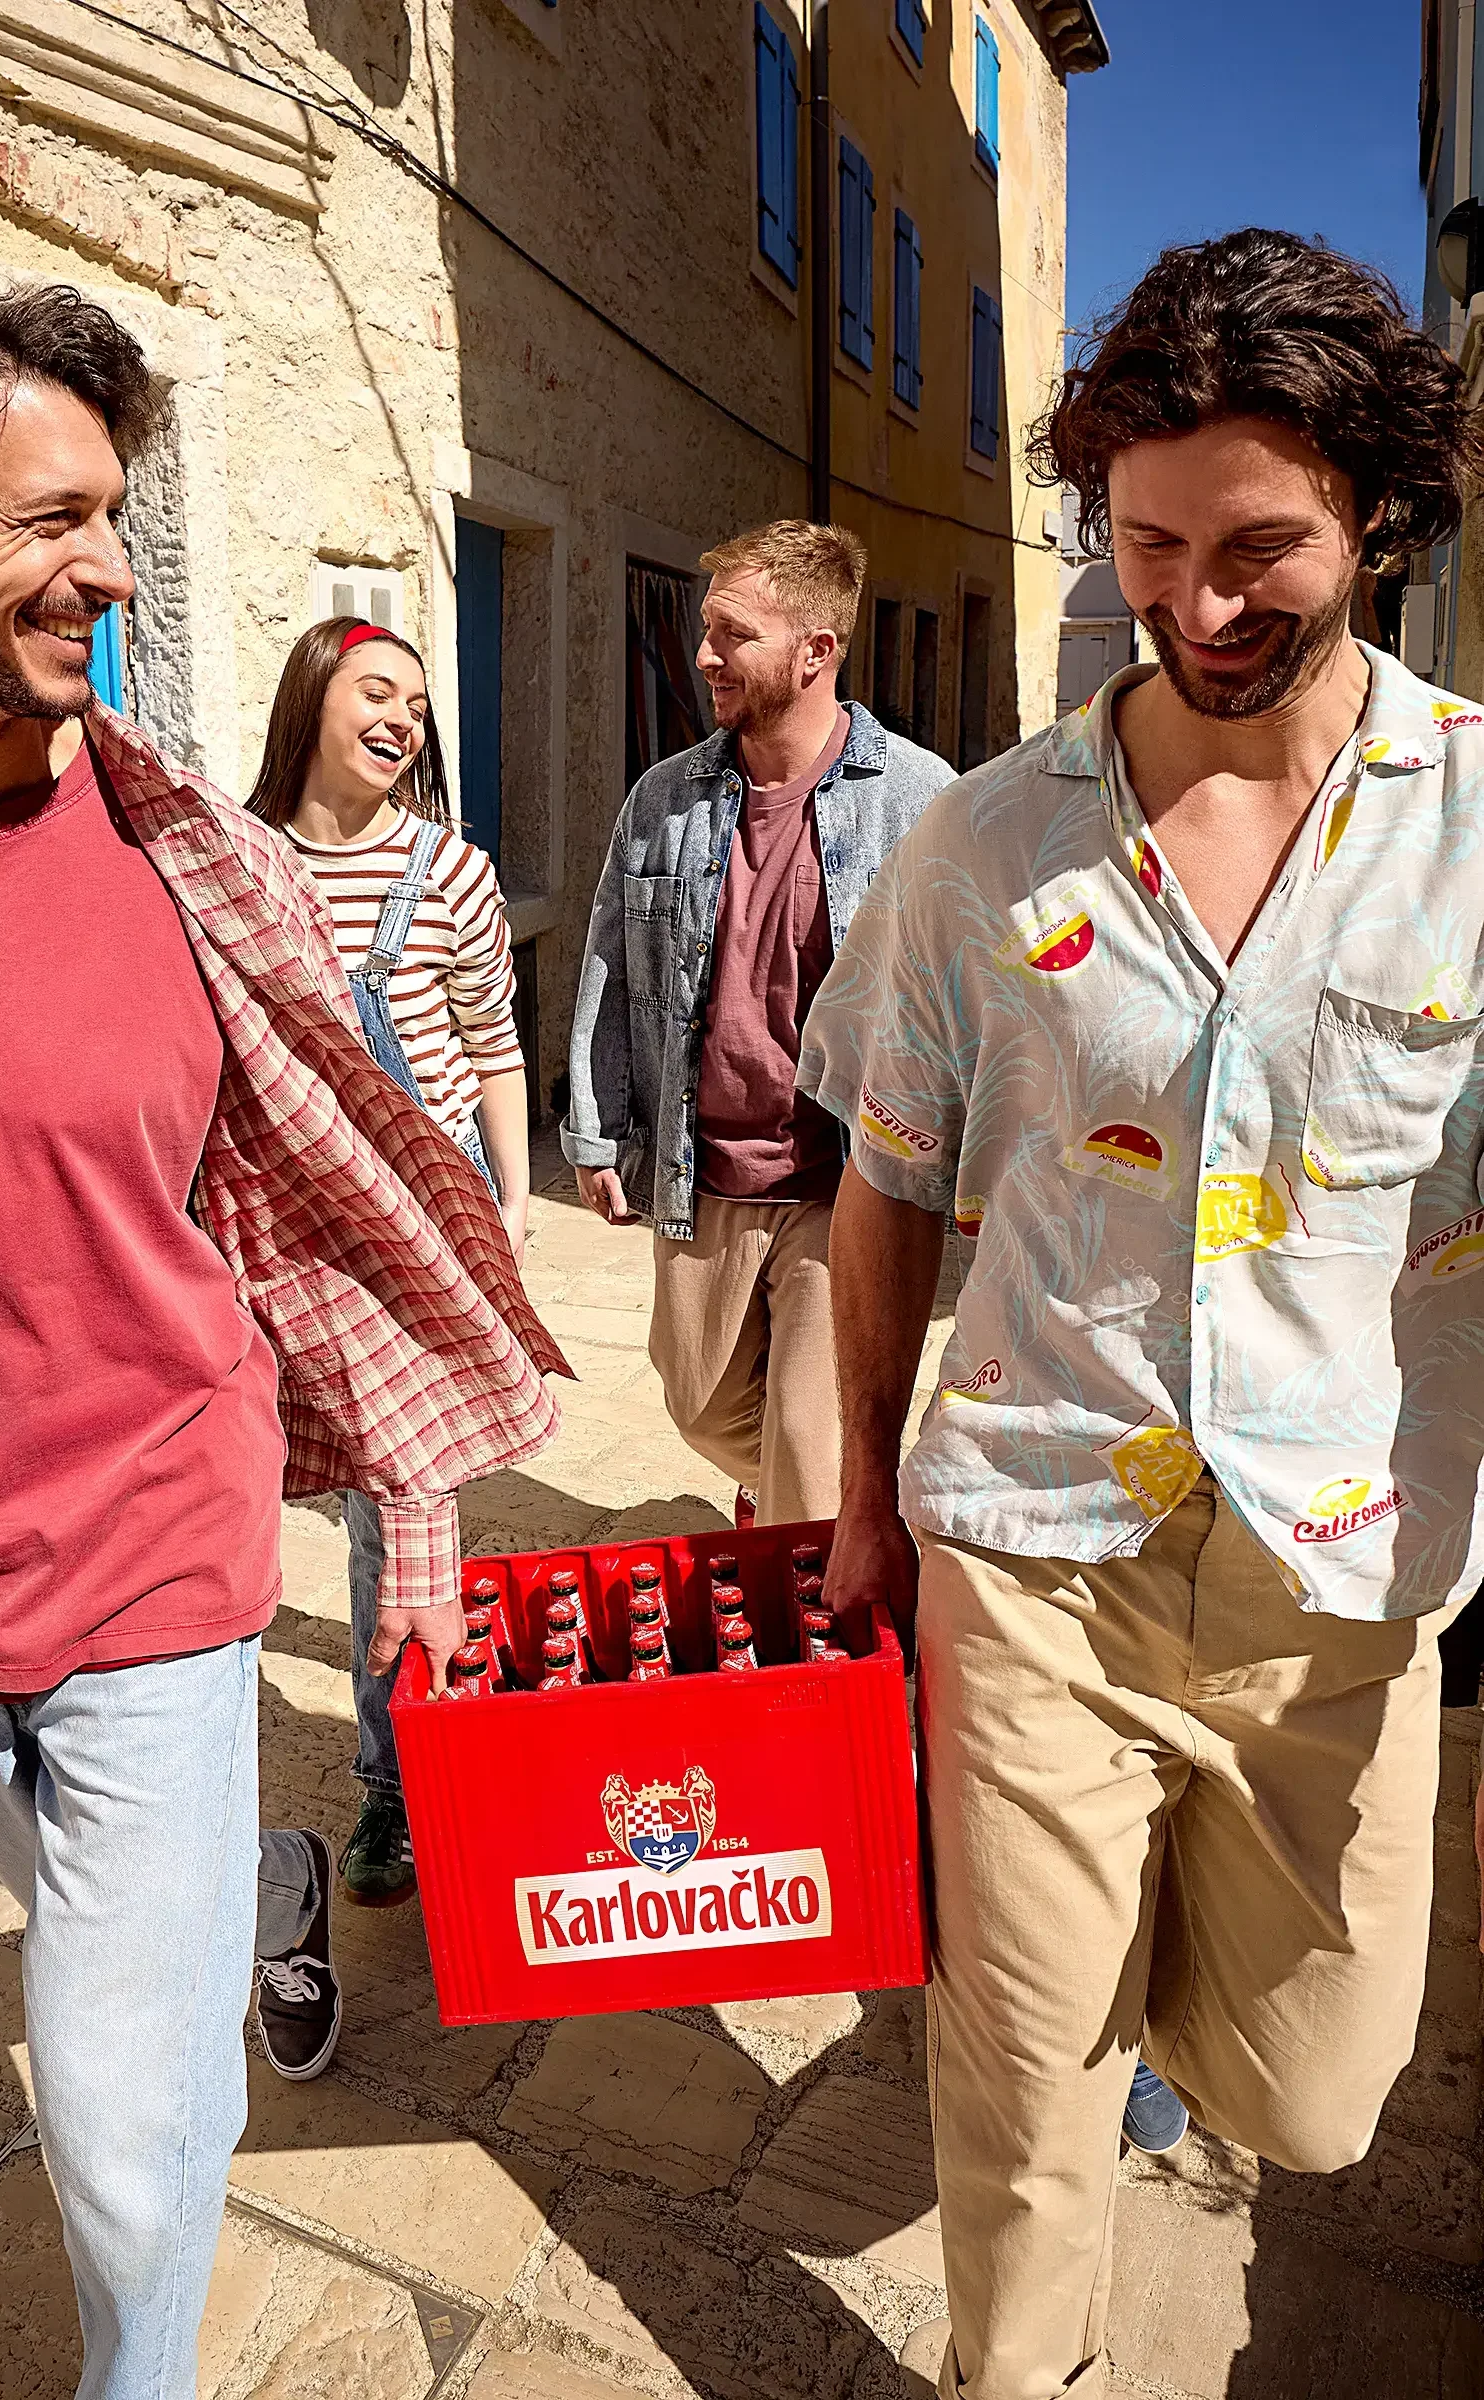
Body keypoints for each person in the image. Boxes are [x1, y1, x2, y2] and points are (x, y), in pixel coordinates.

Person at [0, 254, 565, 2400]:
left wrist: (427, 1520)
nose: (108, 571)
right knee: (132, 1909)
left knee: (117, 2093)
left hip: (161, 1543)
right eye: (54, 518)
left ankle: (142, 2377)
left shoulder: (191, 857)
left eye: (118, 512)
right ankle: (269, 1874)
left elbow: (333, 1209)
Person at [805, 227, 1484, 2400]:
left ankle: (1162, 1999)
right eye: (1148, 543)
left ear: (1376, 511)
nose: (1197, 607)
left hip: (1347, 1573)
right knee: (1024, 2098)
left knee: (1321, 2099)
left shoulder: (1480, 822)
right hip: (1034, 1547)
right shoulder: (980, 849)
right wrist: (859, 1503)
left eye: (1261, 546)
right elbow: (887, 1187)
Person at [562, 519, 952, 1527]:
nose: (703, 656)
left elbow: (970, 996)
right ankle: (796, 1494)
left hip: (847, 1181)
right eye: (706, 630)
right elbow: (609, 958)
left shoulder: (920, 800)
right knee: (698, 1403)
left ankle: (813, 1649)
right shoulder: (663, 801)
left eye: (732, 633)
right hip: (706, 1170)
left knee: (812, 1467)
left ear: (817, 649)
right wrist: (599, 1128)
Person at [247, 617, 530, 1904]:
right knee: (280, 1487)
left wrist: (512, 1207)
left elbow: (492, 1045)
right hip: (296, 1216)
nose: (406, 717)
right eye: (379, 690)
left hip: (427, 1213)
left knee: (400, 1510)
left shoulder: (452, 875)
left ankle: (397, 1791)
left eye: (419, 702)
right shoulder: (242, 864)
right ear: (314, 698)